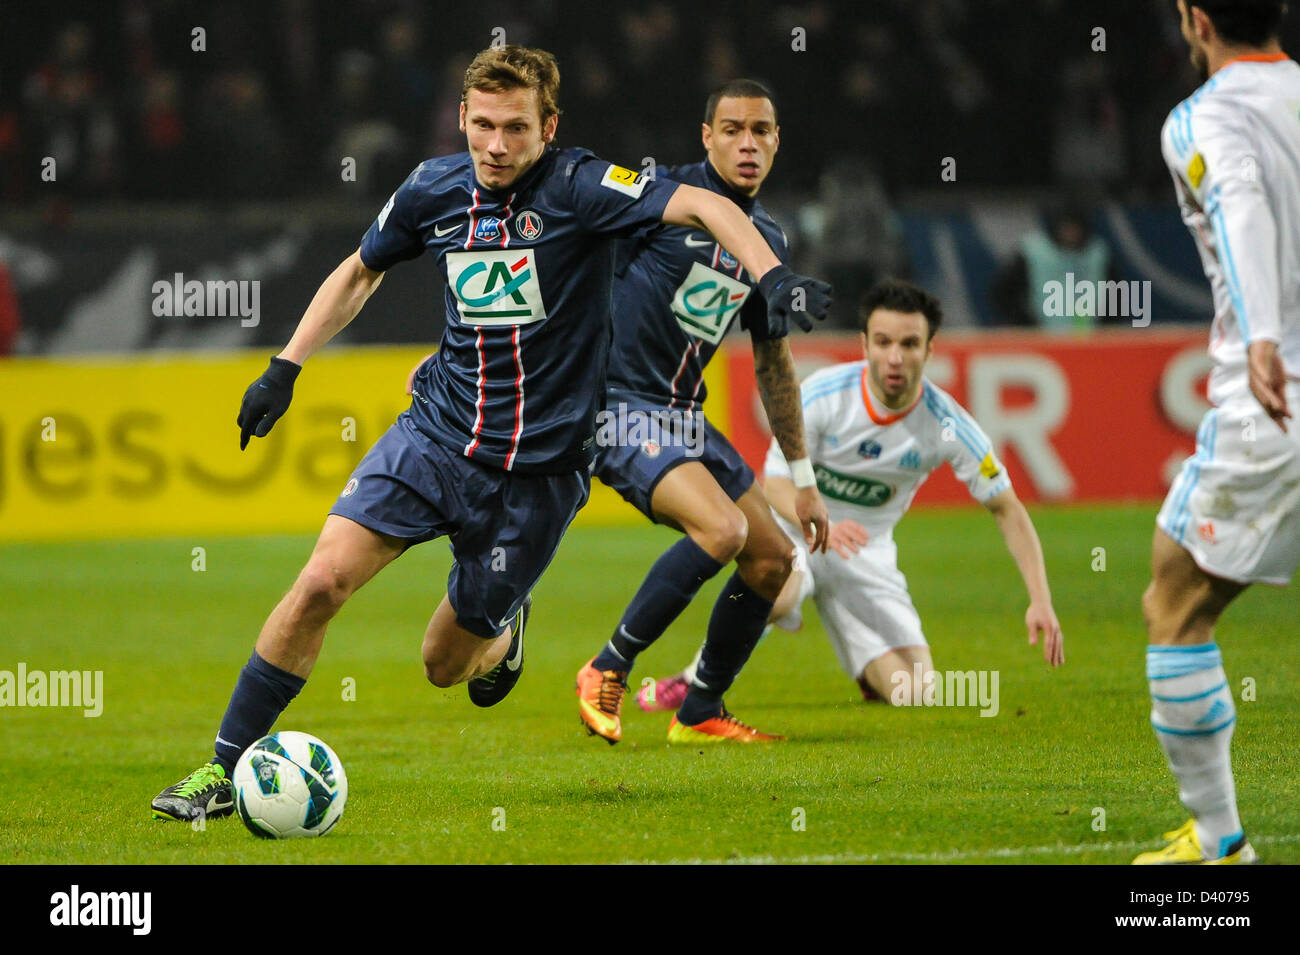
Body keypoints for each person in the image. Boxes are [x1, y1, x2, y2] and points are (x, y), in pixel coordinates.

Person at [150, 45, 831, 822]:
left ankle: (504, 634)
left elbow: (706, 207)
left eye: (515, 128)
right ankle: (219, 769)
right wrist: (286, 364)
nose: (496, 146)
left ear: (549, 127)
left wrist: (770, 273)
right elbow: (360, 269)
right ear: (464, 120)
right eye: (482, 126)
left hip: (537, 479)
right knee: (319, 583)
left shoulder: (582, 186)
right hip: (436, 436)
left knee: (445, 666)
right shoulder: (432, 188)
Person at [641, 279, 1064, 709]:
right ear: (865, 344)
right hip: (795, 533)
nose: (895, 357)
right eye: (883, 342)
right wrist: (818, 522)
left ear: (929, 350)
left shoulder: (948, 424)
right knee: (777, 585)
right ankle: (694, 680)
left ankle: (863, 659)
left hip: (865, 550)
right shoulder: (823, 395)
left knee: (917, 693)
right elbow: (776, 484)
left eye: (909, 344)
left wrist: (1041, 601)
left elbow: (1006, 507)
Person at [574, 79, 830, 746]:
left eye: (762, 131)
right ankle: (606, 666)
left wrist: (802, 477)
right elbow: (569, 260)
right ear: (707, 136)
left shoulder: (765, 240)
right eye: (734, 129)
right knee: (721, 531)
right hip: (620, 408)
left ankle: (700, 709)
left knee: (774, 562)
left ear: (777, 142)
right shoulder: (656, 199)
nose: (748, 143)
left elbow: (774, 364)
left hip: (686, 417)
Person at [1133, 0, 1298, 866]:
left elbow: (1242, 205)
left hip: (1275, 399)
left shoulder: (1204, 116)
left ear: (1194, 19)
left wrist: (1265, 333)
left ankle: (1222, 842)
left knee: (1175, 598)